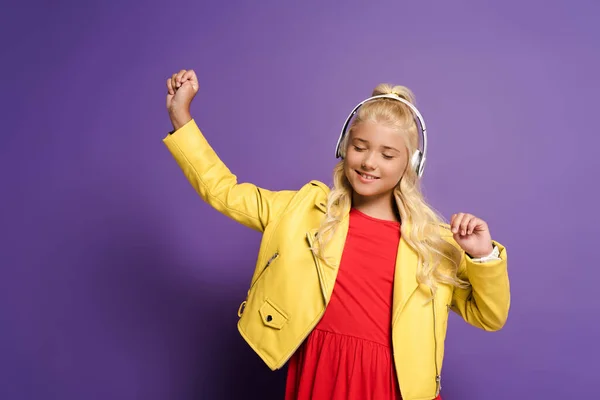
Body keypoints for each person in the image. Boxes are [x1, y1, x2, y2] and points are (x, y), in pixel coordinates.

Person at [163, 69, 510, 400]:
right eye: (360, 147)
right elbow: (223, 191)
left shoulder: (434, 242)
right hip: (321, 374)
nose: (369, 162)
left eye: (388, 154)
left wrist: (483, 256)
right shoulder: (302, 211)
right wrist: (181, 116)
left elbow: (489, 316)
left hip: (395, 385)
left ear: (412, 164)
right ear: (344, 147)